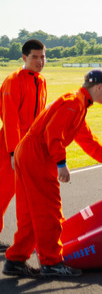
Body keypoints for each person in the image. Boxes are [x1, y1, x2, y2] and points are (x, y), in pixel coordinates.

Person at [3, 69, 102, 278]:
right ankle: (52, 262)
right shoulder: (74, 103)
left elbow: (88, 141)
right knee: (49, 212)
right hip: (37, 155)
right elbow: (53, 134)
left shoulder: (78, 104)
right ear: (99, 87)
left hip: (28, 153)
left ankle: (16, 259)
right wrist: (61, 164)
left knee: (30, 213)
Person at [0, 39, 47, 254]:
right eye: (35, 57)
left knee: (33, 196)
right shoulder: (13, 81)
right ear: (24, 58)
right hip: (10, 147)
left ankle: (33, 241)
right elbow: (10, 120)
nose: (40, 61)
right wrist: (13, 152)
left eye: (42, 56)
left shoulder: (41, 81)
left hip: (31, 147)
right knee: (3, 193)